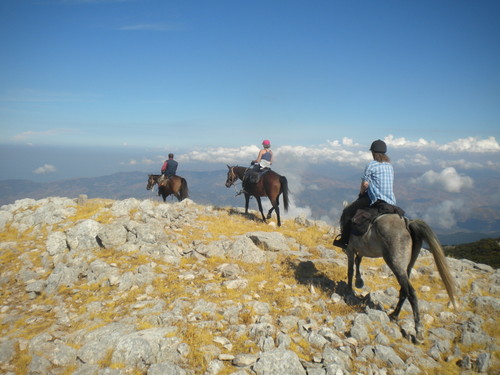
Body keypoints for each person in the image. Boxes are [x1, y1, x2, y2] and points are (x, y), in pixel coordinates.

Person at [333, 139, 396, 248]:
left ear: (373, 153)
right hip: (391, 202)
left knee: (347, 212)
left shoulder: (371, 165)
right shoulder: (390, 166)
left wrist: (361, 194)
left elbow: (365, 185)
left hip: (375, 200)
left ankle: (344, 241)